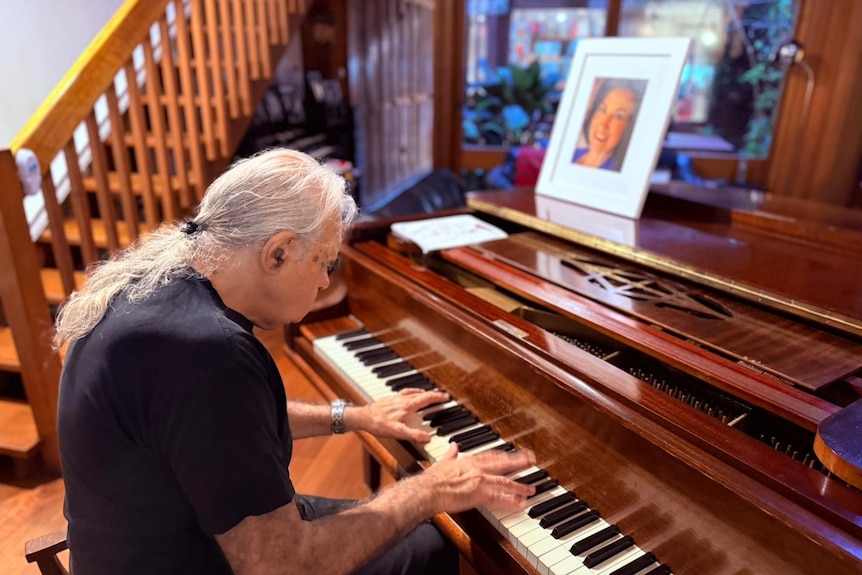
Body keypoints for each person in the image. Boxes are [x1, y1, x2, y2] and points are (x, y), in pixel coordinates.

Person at [54, 148, 536, 574]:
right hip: (196, 557)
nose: (325, 282)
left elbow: (224, 426)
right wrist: (429, 490)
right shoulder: (208, 353)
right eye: (324, 262)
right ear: (279, 252)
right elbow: (280, 565)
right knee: (437, 544)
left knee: (419, 529)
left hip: (156, 539)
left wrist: (354, 416)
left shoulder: (155, 286)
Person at [571, 78, 645, 171]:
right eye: (602, 110)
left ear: (628, 128)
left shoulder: (615, 172)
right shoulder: (570, 155)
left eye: (618, 116)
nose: (603, 124)